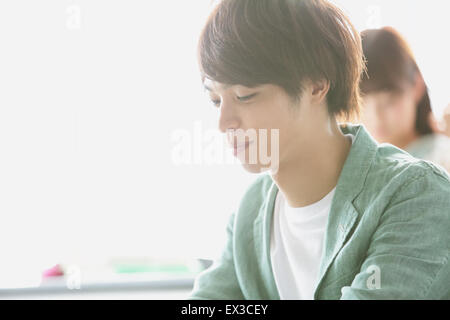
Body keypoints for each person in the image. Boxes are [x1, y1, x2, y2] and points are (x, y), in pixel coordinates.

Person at [188, 0, 450, 300]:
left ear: (316, 85)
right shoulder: (251, 211)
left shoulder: (416, 195)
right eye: (216, 101)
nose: (224, 123)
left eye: (245, 96)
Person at [360, 27, 450, 172]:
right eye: (361, 101)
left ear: (417, 85)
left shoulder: (442, 159)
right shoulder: (363, 167)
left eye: (389, 100)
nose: (375, 115)